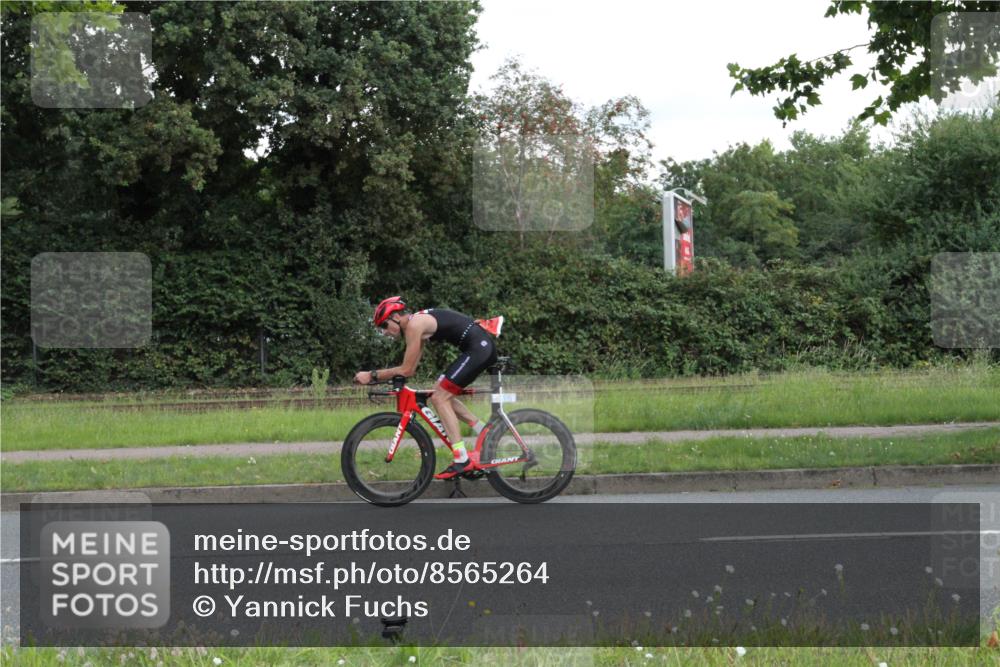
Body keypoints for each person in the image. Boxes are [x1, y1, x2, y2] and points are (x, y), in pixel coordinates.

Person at [353, 297, 503, 479]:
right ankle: (484, 431)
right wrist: (389, 374)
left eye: (384, 325)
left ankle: (461, 459)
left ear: (396, 317)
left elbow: (406, 369)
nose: (384, 332)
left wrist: (372, 375)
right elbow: (411, 369)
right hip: (476, 347)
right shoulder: (416, 325)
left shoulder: (415, 325)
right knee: (438, 393)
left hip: (479, 349)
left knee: (440, 398)